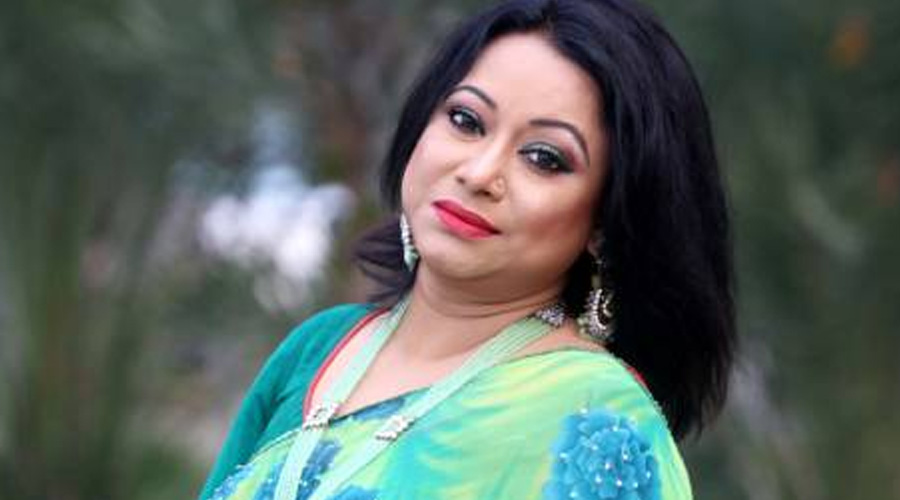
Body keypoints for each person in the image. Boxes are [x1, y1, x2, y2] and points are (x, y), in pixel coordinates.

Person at [198, 0, 736, 498]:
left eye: (544, 158)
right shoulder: (317, 350)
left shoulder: (600, 419)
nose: (479, 173)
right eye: (466, 120)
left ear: (603, 221)